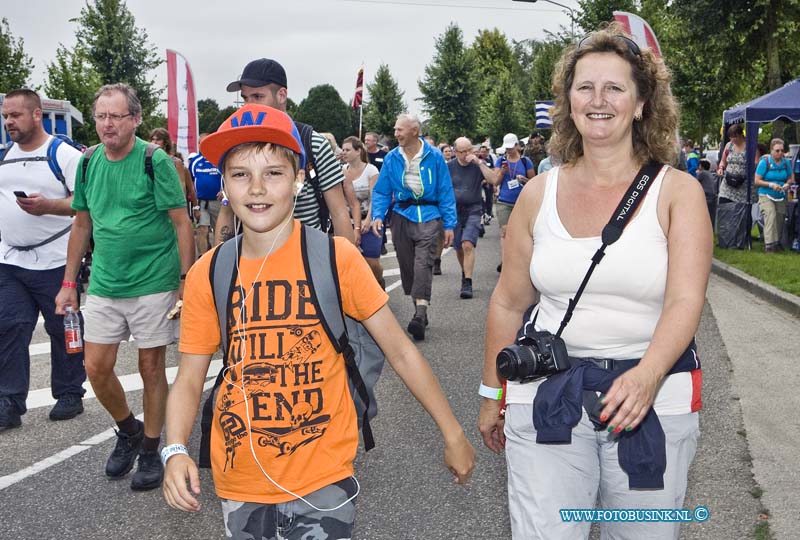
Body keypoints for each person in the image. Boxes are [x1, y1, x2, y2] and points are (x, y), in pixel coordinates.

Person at [161, 104, 475, 539]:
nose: (257, 188)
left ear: (298, 179)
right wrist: (174, 449)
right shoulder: (209, 273)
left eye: (273, 173)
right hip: (241, 480)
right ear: (223, 187)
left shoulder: (335, 258)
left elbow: (401, 351)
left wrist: (452, 432)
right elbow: (190, 377)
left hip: (324, 477)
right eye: (239, 174)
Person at [478, 26, 711, 540]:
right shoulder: (538, 194)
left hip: (654, 399)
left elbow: (686, 299)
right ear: (568, 100)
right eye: (585, 87)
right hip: (548, 395)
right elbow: (508, 301)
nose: (598, 100)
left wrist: (647, 376)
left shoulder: (679, 193)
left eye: (615, 88)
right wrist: (491, 393)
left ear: (642, 103)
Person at [55, 83, 195, 491]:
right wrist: (68, 283)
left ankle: (151, 448)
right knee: (95, 368)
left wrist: (186, 280)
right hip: (104, 282)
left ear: (135, 119)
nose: (107, 124)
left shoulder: (156, 162)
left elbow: (181, 222)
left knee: (150, 368)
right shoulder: (87, 163)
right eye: (101, 116)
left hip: (153, 280)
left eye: (116, 116)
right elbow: (82, 223)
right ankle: (129, 430)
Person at [0, 89, 87, 431]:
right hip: (10, 261)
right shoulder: (6, 155)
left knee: (61, 328)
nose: (9, 122)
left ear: (37, 115)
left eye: (16, 115)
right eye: (6, 116)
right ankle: (9, 401)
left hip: (55, 260)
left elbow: (86, 201)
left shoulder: (62, 154)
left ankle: (69, 393)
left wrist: (49, 206)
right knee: (9, 327)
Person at [216, 58, 354, 244]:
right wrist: (219, 265)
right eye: (245, 98)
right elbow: (226, 210)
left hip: (308, 260)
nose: (248, 106)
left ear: (281, 95)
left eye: (257, 97)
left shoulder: (312, 143)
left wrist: (343, 268)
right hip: (252, 261)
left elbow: (339, 212)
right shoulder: (238, 145)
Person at [370, 114, 457, 341]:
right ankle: (420, 307)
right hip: (401, 215)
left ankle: (419, 315)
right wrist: (378, 215)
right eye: (396, 130)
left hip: (429, 215)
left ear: (414, 131)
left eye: (400, 130)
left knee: (423, 264)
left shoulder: (435, 156)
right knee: (407, 266)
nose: (396, 133)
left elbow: (446, 191)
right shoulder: (391, 158)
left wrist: (449, 224)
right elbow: (381, 190)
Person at [449, 137, 499, 299]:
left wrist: (479, 163)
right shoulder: (449, 167)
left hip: (474, 208)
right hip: (454, 210)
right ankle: (465, 272)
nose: (467, 154)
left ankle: (468, 282)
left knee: (468, 244)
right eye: (463, 151)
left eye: (470, 150)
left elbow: (493, 180)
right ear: (455, 152)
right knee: (458, 246)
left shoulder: (478, 165)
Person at [341, 136, 384, 287]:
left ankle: (379, 280)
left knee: (372, 262)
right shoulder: (341, 171)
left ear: (358, 151)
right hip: (350, 220)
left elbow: (375, 197)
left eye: (347, 150)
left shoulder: (371, 170)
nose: (344, 153)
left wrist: (368, 219)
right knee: (353, 261)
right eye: (343, 150)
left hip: (370, 219)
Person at [490, 133, 535, 272]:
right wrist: (502, 172)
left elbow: (533, 182)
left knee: (521, 233)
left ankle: (521, 259)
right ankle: (505, 261)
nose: (509, 150)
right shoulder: (501, 161)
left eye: (511, 148)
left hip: (522, 202)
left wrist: (523, 180)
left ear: (517, 146)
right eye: (507, 148)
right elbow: (495, 182)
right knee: (505, 232)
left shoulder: (525, 161)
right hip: (504, 202)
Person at [754, 138, 795, 252]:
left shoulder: (786, 163)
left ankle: (776, 243)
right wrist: (770, 185)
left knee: (780, 218)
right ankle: (769, 245)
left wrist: (787, 184)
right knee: (770, 215)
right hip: (766, 194)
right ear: (771, 150)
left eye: (782, 150)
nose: (780, 153)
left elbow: (790, 177)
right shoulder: (765, 162)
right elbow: (757, 181)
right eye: (777, 151)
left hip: (781, 194)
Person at [149, 128, 199, 221]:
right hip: (152, 204)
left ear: (165, 142)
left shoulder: (176, 162)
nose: (154, 142)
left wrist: (184, 207)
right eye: (153, 139)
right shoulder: (147, 160)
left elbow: (182, 186)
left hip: (172, 204)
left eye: (158, 139)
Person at [189, 134, 224, 255]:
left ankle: (218, 256)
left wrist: (224, 191)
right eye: (200, 143)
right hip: (201, 202)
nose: (202, 145)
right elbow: (190, 182)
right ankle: (203, 258)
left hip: (218, 202)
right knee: (202, 229)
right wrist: (195, 206)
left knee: (220, 232)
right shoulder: (195, 161)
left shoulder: (219, 159)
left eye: (205, 142)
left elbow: (229, 178)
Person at [696, 158, 718, 227]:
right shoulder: (710, 174)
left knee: (704, 214)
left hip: (706, 196)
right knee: (711, 215)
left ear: (701, 166)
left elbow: (696, 182)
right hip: (713, 196)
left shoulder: (702, 173)